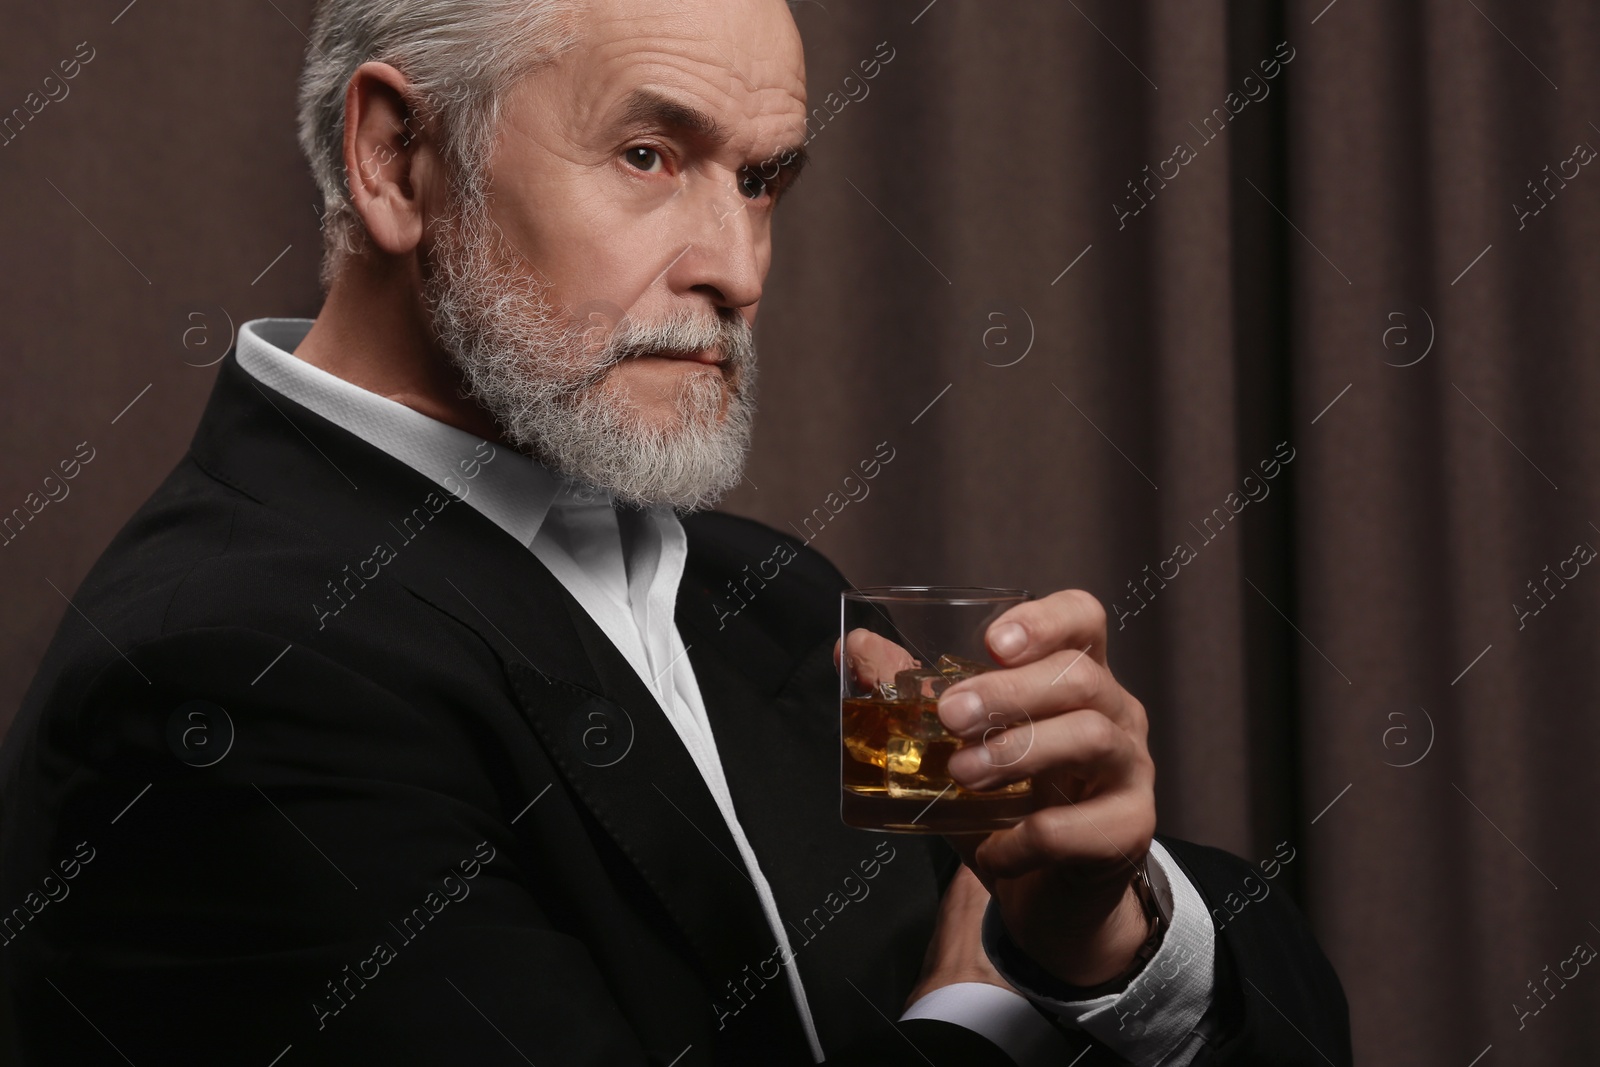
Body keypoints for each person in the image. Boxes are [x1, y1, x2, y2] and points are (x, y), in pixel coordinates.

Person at [0, 0, 1350, 1063]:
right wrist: (987, 1020)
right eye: (650, 156)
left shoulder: (770, 594)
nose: (738, 269)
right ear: (398, 159)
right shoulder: (233, 671)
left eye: (761, 179)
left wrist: (1107, 934)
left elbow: (1282, 998)